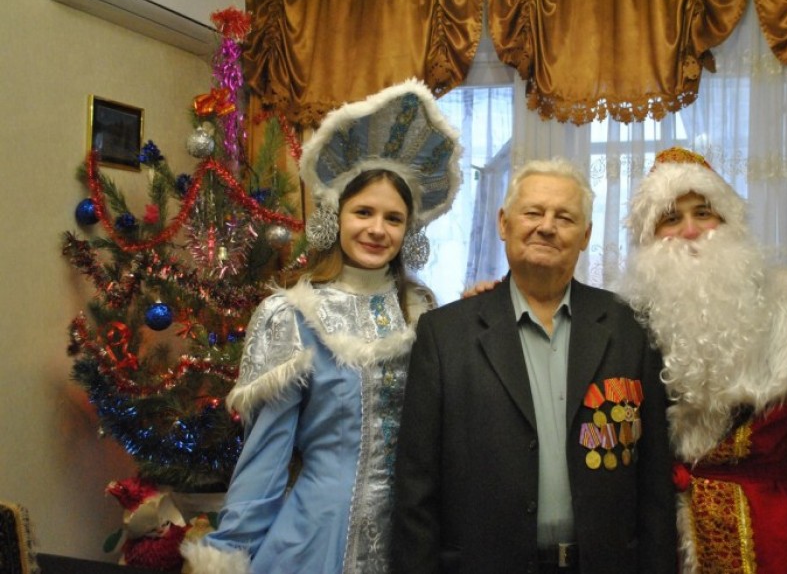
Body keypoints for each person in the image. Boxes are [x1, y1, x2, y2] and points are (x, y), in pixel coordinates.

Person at [180, 79, 463, 574]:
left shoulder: (426, 315)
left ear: (409, 230)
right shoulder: (291, 316)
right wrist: (225, 554)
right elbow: (265, 459)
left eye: (393, 218)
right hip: (318, 538)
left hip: (413, 541)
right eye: (364, 212)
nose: (377, 229)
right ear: (336, 216)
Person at [392, 159, 678, 574]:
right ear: (503, 223)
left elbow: (654, 485)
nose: (546, 226)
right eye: (533, 212)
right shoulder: (444, 335)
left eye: (564, 217)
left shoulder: (630, 328)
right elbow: (415, 488)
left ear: (586, 236)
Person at [617, 146, 787, 572]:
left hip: (768, 547)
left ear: (730, 223)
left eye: (704, 213)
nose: (691, 231)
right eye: (670, 218)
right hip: (650, 547)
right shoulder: (621, 325)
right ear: (648, 240)